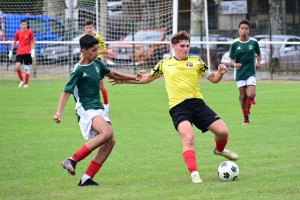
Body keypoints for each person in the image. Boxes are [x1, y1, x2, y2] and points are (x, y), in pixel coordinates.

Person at [109, 31, 239, 184]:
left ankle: (220, 150)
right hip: (178, 108)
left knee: (223, 132)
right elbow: (145, 79)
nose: (186, 49)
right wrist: (124, 80)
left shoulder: (196, 61)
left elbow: (214, 79)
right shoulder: (165, 63)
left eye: (188, 46)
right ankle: (194, 174)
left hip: (198, 104)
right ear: (174, 46)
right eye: (182, 46)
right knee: (188, 138)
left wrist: (221, 73)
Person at [53, 34, 142, 186]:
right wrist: (59, 112)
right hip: (85, 108)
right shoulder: (78, 69)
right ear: (84, 51)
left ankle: (86, 178)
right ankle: (72, 159)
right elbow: (66, 91)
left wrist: (135, 77)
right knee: (106, 133)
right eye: (94, 50)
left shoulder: (97, 64)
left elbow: (113, 74)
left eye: (97, 50)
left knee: (110, 140)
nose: (96, 53)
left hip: (98, 107)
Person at [229, 19, 261, 125]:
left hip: (250, 71)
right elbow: (231, 58)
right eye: (242, 28)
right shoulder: (235, 44)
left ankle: (251, 98)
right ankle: (246, 118)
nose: (244, 30)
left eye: (246, 28)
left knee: (251, 94)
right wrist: (234, 64)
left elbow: (259, 54)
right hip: (239, 72)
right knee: (243, 97)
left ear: (249, 30)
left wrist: (258, 62)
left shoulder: (254, 42)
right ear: (239, 30)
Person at [84, 19, 110, 113]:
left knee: (100, 84)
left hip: (96, 62)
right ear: (85, 28)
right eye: (87, 28)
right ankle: (88, 104)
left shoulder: (98, 38)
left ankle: (106, 105)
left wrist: (95, 52)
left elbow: (105, 50)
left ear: (93, 27)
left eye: (90, 27)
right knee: (86, 83)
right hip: (86, 63)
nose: (89, 29)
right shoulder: (83, 38)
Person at [9, 19, 35, 88]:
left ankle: (26, 83)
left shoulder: (29, 32)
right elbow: (14, 42)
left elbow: (32, 41)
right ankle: (22, 80)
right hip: (19, 52)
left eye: (25, 24)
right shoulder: (18, 32)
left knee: (26, 68)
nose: (24, 25)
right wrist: (11, 50)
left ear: (27, 25)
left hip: (27, 52)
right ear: (20, 25)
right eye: (23, 24)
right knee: (17, 66)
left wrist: (32, 50)